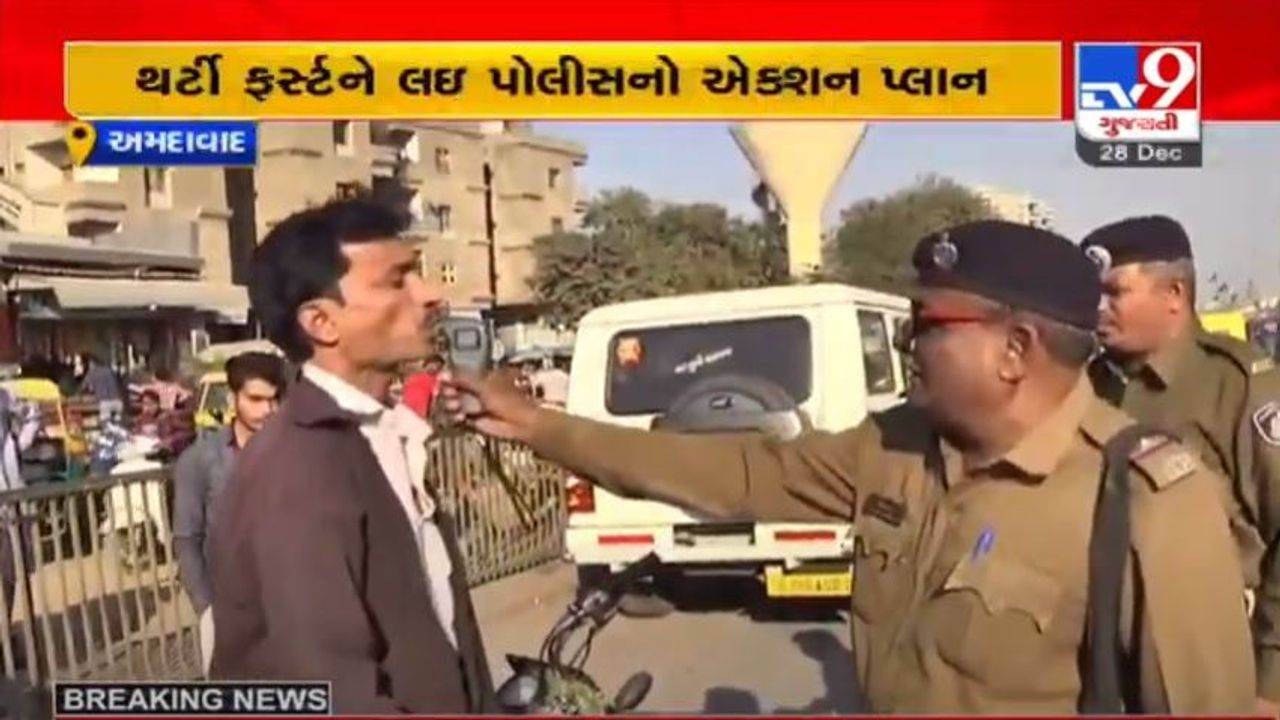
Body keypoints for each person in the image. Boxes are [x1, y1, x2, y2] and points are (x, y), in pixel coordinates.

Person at [443, 220, 1255, 713]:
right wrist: (538, 426)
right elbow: (736, 472)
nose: (907, 343)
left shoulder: (1146, 500)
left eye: (927, 323)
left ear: (1015, 349)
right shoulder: (894, 447)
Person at [207, 198, 496, 713]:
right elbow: (332, 688)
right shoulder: (297, 470)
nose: (431, 294)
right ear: (322, 322)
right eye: (397, 280)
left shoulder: (378, 435)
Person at [1081, 215, 1280, 710]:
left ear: (1174, 294)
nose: (1098, 309)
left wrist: (1270, 680)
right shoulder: (1087, 386)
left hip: (1213, 659)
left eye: (1114, 293)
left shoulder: (1237, 386)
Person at [173, 351, 285, 676]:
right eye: (256, 399)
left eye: (275, 400)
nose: (268, 410)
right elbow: (187, 537)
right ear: (233, 398)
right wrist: (206, 607)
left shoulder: (297, 454)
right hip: (226, 608)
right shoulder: (200, 460)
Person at [0, 388, 41, 618]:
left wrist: (25, 408)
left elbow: (32, 416)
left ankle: (5, 625)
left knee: (10, 571)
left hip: (11, 508)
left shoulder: (12, 443)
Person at [79, 353, 123, 422]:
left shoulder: (92, 373)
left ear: (91, 363)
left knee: (106, 423)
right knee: (117, 422)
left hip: (105, 403)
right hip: (118, 402)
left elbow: (83, 387)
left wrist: (81, 393)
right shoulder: (109, 370)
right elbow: (117, 383)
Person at [402, 354, 444, 420]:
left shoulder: (435, 380)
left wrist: (430, 416)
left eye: (439, 367)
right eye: (433, 365)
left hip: (419, 415)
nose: (435, 368)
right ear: (427, 363)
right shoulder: (413, 376)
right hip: (404, 411)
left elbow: (434, 400)